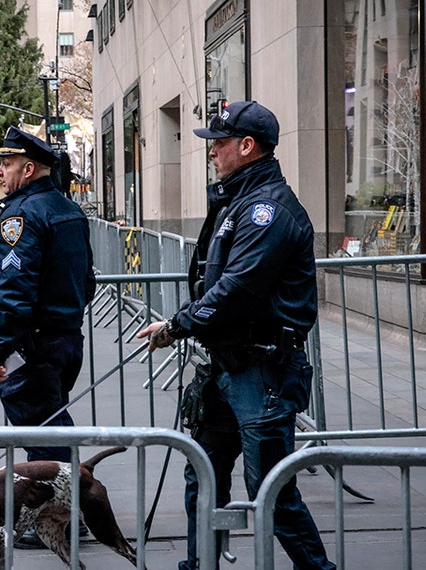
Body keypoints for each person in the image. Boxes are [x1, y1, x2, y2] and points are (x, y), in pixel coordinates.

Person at [136, 101, 335, 570]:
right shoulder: (239, 199)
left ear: (246, 146)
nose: (212, 152)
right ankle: (198, 565)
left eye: (219, 144)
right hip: (225, 366)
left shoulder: (268, 209)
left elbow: (235, 290)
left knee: (271, 491)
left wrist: (175, 327)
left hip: (260, 372)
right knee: (202, 475)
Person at [0, 127, 96, 546]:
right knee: (50, 426)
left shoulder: (21, 216)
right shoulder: (67, 209)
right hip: (63, 337)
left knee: (43, 433)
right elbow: (87, 280)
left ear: (28, 169)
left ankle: (62, 517)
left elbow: (13, 292)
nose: (0, 171)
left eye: (6, 164)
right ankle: (61, 511)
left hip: (33, 344)